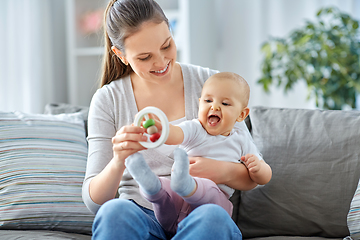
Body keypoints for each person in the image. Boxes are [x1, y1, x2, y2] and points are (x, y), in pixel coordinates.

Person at [83, 0, 259, 239]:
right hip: (140, 215)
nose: (161, 62)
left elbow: (252, 174)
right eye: (145, 57)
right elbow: (95, 203)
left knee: (213, 220)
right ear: (121, 55)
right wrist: (118, 161)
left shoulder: (210, 84)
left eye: (167, 45)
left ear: (170, 30)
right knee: (115, 212)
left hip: (200, 211)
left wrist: (219, 170)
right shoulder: (109, 99)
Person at [125, 72, 272, 235]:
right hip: (174, 210)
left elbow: (265, 177)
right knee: (165, 188)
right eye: (208, 100)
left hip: (212, 205)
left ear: (241, 114)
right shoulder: (195, 128)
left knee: (209, 187)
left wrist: (258, 168)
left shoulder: (241, 140)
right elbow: (175, 134)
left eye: (225, 103)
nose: (214, 107)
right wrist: (159, 127)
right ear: (200, 104)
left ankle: (184, 185)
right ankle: (151, 186)